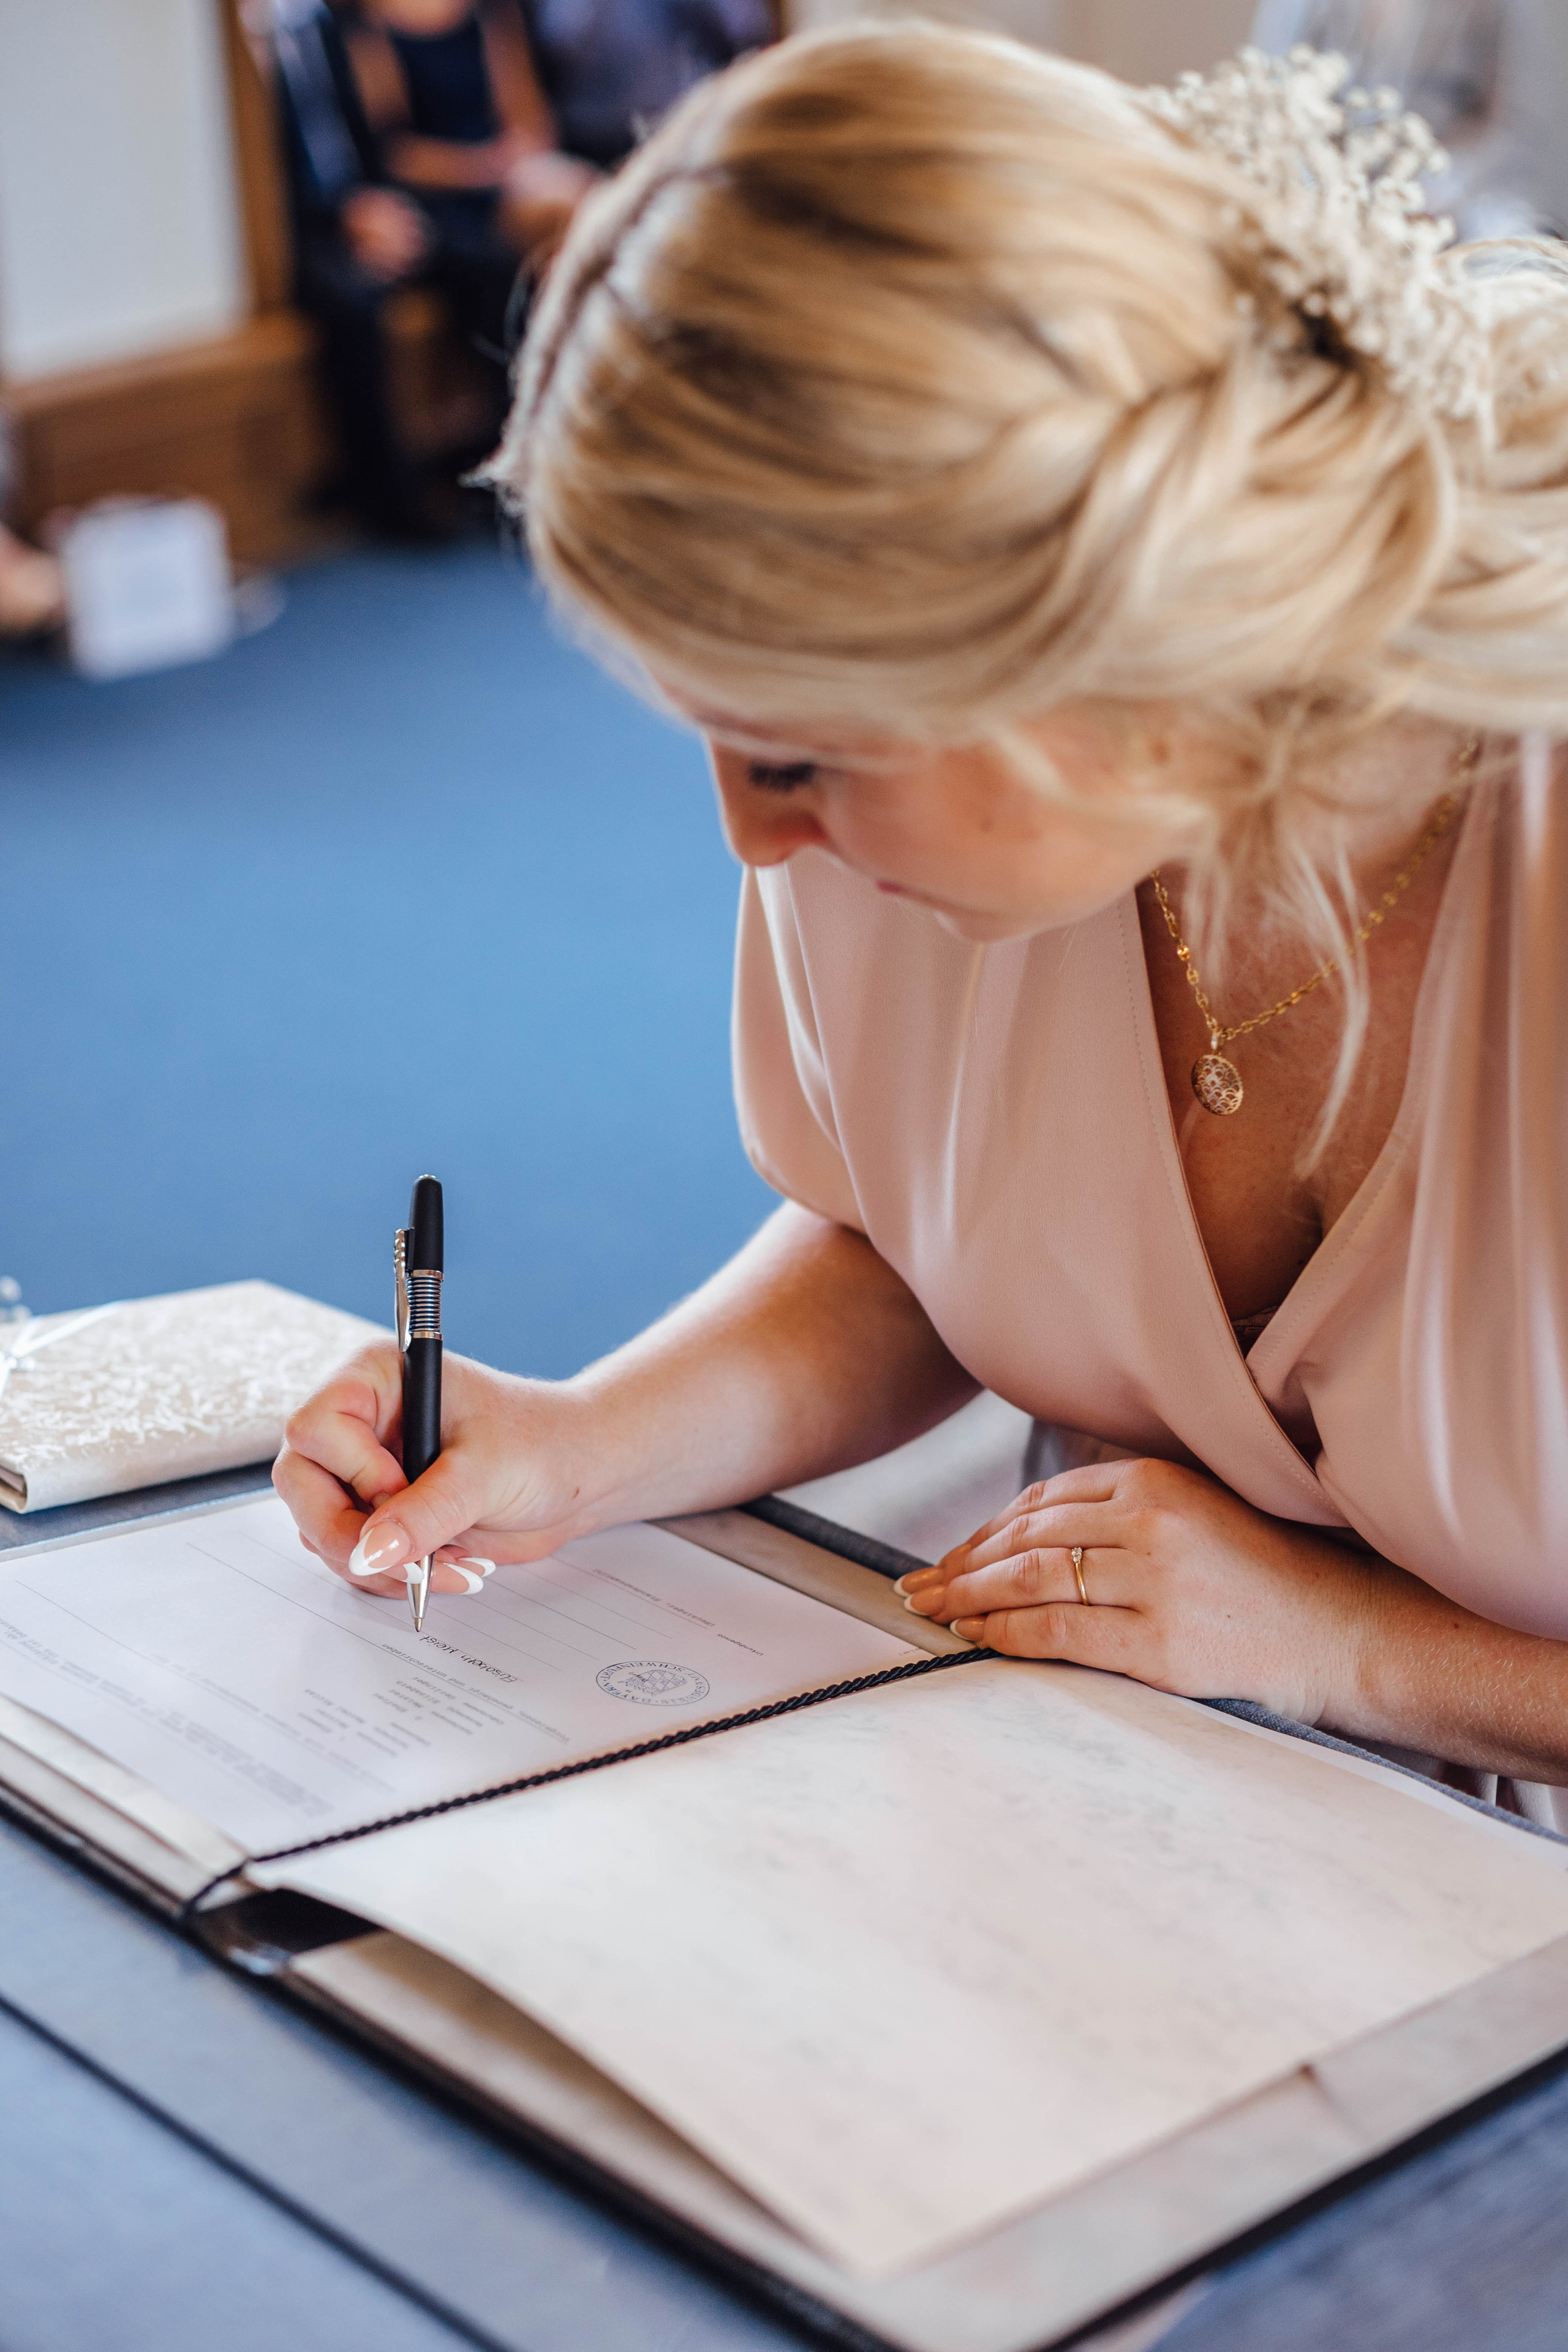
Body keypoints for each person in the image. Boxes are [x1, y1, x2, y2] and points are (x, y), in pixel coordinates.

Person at [276, 32, 1568, 1826]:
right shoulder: (896, 850)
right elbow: (935, 1247)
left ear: (1098, 641)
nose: (750, 834)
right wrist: (583, 1440)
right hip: (1120, 1798)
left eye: (796, 753)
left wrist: (1340, 1644)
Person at [1252, 0, 1558, 238]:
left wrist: (1429, 195)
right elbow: (1275, 103)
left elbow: (1512, 124)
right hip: (1324, 189)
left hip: (1453, 201)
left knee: (1507, 247)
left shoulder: (1500, 8)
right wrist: (1327, 189)